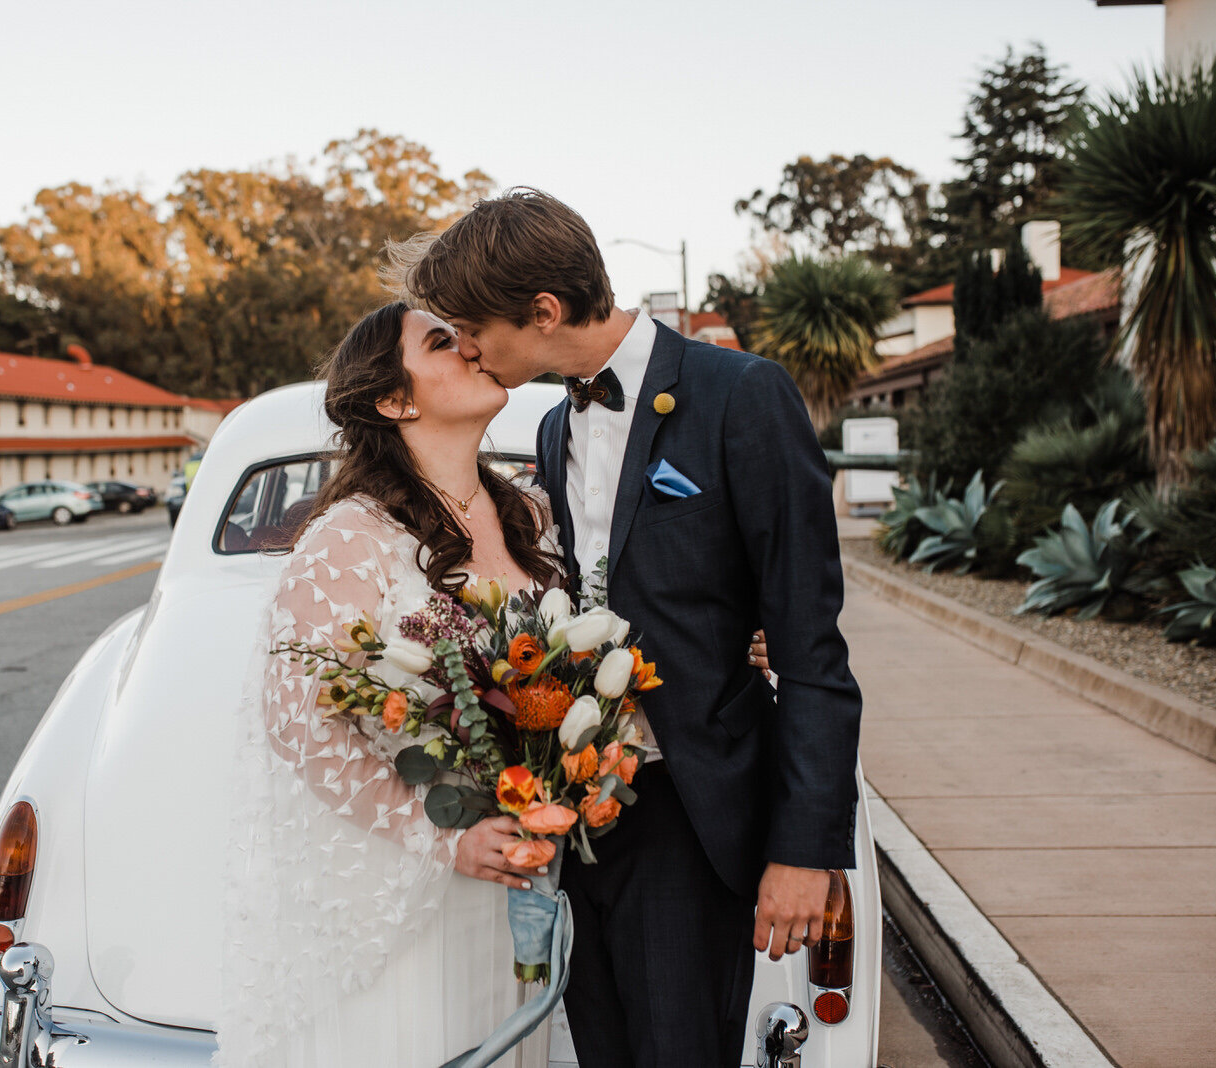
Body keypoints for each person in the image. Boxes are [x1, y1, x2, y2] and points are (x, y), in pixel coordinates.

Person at [401, 187, 863, 1068]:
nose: (465, 348)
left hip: (697, 812)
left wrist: (804, 849)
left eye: (471, 329)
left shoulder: (743, 395)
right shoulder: (547, 426)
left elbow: (812, 648)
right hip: (581, 810)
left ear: (541, 311)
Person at [216, 302, 562, 1067]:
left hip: (521, 870)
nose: (472, 347)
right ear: (394, 401)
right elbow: (299, 718)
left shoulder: (532, 515)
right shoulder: (352, 535)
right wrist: (442, 834)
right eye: (443, 342)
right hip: (412, 883)